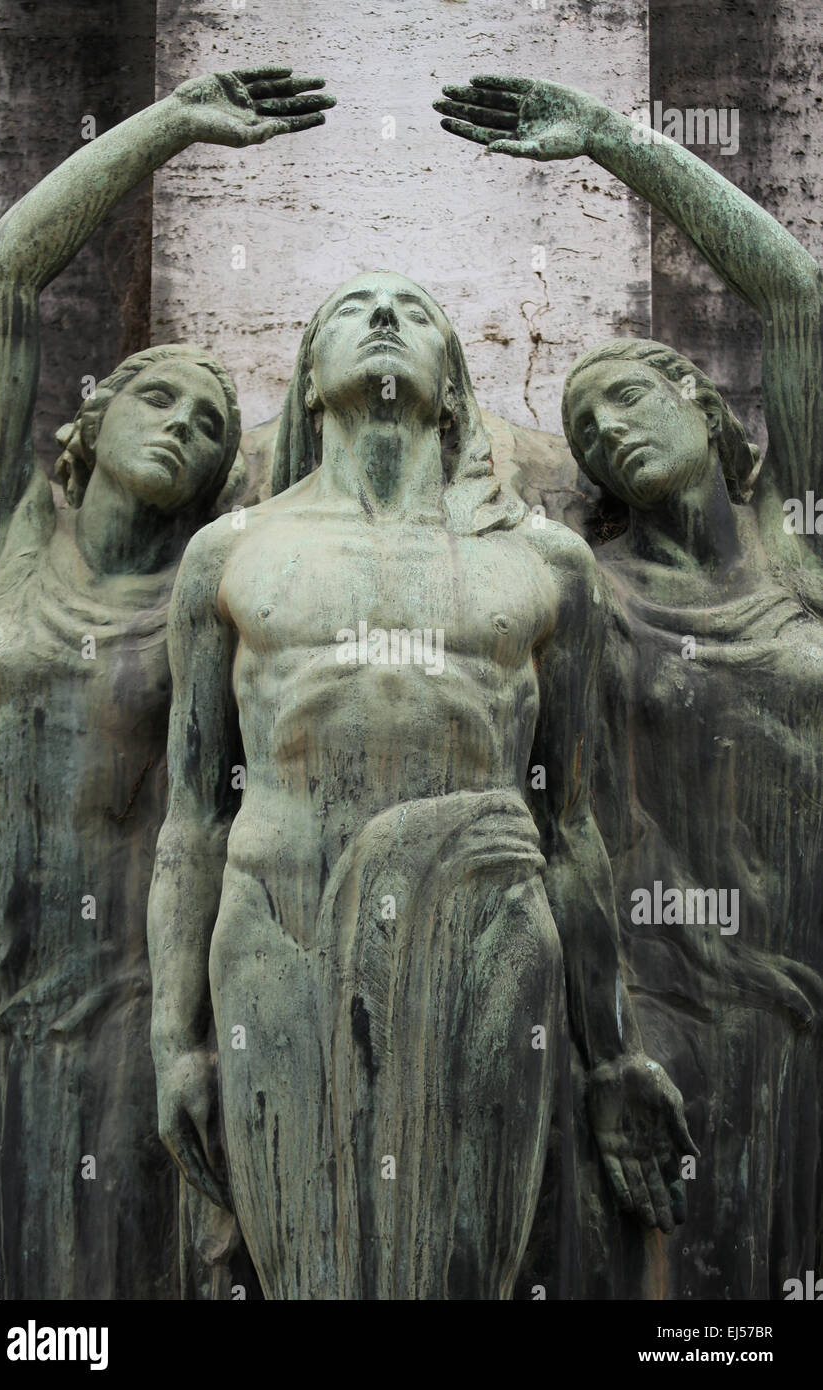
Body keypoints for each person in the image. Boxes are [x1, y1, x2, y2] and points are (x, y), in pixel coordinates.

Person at [148, 267, 695, 1301]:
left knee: (461, 1270)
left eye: (416, 313)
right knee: (304, 1271)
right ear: (310, 380)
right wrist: (172, 1037)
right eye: (353, 309)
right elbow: (189, 818)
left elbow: (569, 823)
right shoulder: (229, 551)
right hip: (278, 930)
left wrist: (608, 1053)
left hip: (487, 931)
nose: (385, 317)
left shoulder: (546, 561)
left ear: (451, 388)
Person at [436, 73, 823, 1297]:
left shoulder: (794, 545)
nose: (605, 432)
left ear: (707, 405)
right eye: (584, 428)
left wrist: (612, 141)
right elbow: (563, 810)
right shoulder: (581, 583)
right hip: (661, 993)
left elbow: (793, 298)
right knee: (673, 1285)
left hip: (802, 969)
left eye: (627, 399)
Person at [0, 64, 334, 1298]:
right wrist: (169, 125)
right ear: (89, 420)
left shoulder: (215, 596)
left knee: (92, 1283)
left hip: (124, 995)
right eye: (157, 397)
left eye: (213, 421)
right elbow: (1, 284)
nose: (184, 424)